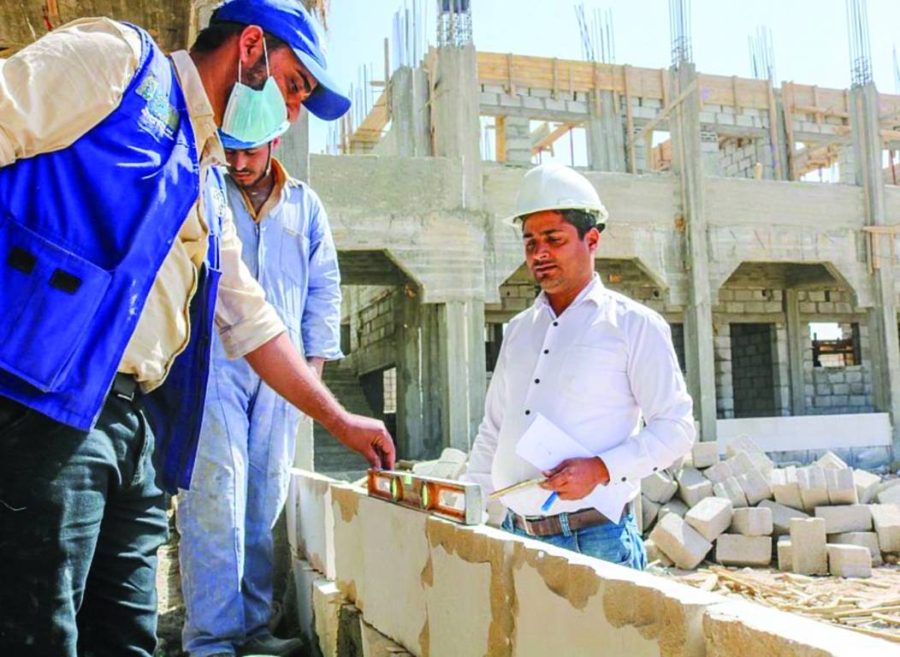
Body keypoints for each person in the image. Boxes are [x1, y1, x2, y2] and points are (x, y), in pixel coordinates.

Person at [0, 2, 394, 656]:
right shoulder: (118, 63)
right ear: (250, 48)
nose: (292, 113)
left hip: (133, 425)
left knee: (126, 636)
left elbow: (251, 318)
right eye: (293, 86)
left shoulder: (205, 176)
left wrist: (337, 419)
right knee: (38, 630)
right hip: (41, 406)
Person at [464, 163, 694, 569]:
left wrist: (601, 470)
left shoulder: (633, 325)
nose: (540, 253)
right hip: (517, 536)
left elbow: (676, 428)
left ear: (592, 240)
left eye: (554, 239)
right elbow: (494, 429)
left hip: (596, 541)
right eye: (530, 242)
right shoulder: (518, 331)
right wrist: (470, 502)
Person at [177, 132, 342, 657]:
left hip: (283, 372)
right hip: (215, 365)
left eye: (251, 152)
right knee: (215, 496)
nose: (240, 162)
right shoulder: (208, 187)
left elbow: (324, 289)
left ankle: (253, 630)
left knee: (265, 498)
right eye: (232, 151)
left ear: (274, 143)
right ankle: (212, 640)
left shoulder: (305, 205)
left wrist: (312, 375)